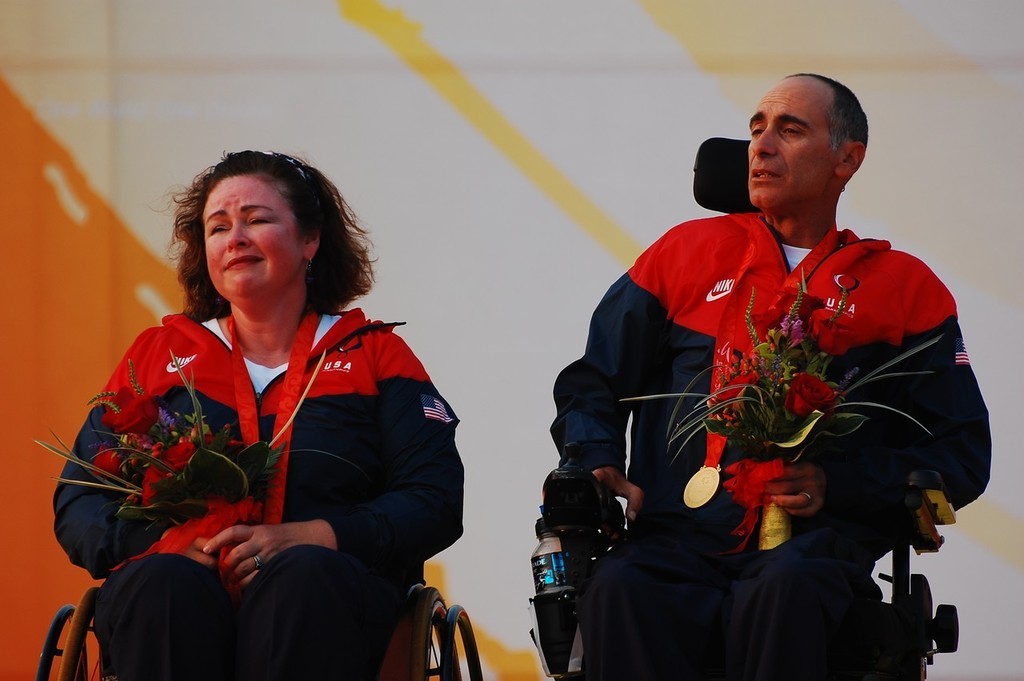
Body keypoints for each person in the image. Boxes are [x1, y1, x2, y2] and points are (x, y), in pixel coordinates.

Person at [550, 73, 991, 681]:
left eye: (790, 129)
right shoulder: (683, 253)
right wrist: (593, 456)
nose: (759, 146)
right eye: (756, 128)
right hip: (678, 535)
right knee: (623, 588)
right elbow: (593, 378)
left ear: (847, 158)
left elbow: (962, 454)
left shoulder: (906, 288)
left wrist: (839, 484)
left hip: (814, 547)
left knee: (784, 588)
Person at [53, 150, 465, 681]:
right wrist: (163, 545)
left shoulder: (376, 355)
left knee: (302, 577)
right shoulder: (157, 356)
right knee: (164, 584)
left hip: (329, 601)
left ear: (310, 240)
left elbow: (434, 500)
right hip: (177, 597)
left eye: (258, 219)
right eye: (218, 227)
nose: (236, 238)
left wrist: (316, 536)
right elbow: (80, 499)